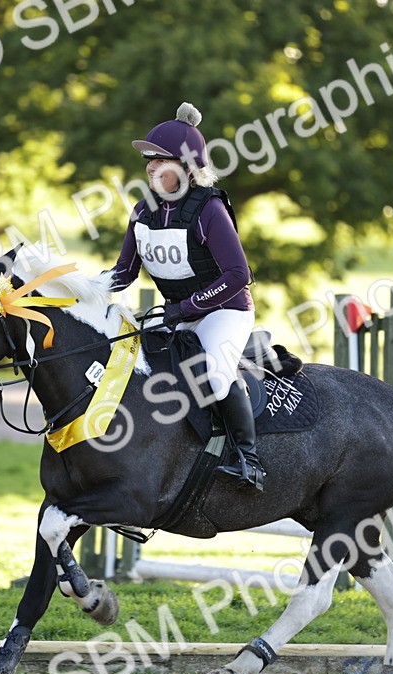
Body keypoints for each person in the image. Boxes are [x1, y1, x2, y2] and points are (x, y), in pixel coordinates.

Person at [103, 102, 266, 492]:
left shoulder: (209, 209)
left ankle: (249, 460)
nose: (152, 169)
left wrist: (184, 309)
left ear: (188, 167)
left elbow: (238, 275)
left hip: (226, 310)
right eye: (149, 162)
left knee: (213, 374)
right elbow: (123, 273)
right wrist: (78, 291)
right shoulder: (142, 211)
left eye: (162, 162)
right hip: (177, 314)